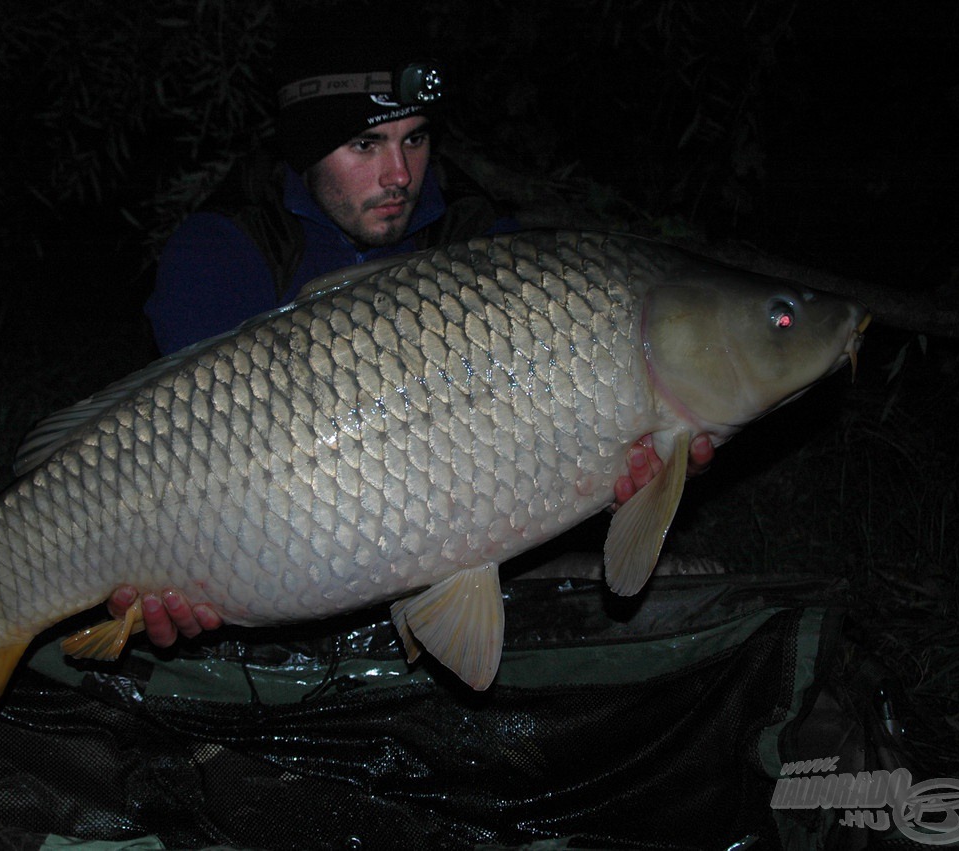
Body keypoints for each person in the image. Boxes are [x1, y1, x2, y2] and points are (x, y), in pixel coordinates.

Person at [115, 11, 713, 645]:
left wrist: (647, 462)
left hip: (477, 562)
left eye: (416, 139)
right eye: (366, 145)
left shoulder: (478, 245)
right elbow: (179, 471)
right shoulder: (222, 255)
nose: (399, 174)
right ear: (305, 147)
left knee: (697, 585)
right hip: (281, 574)